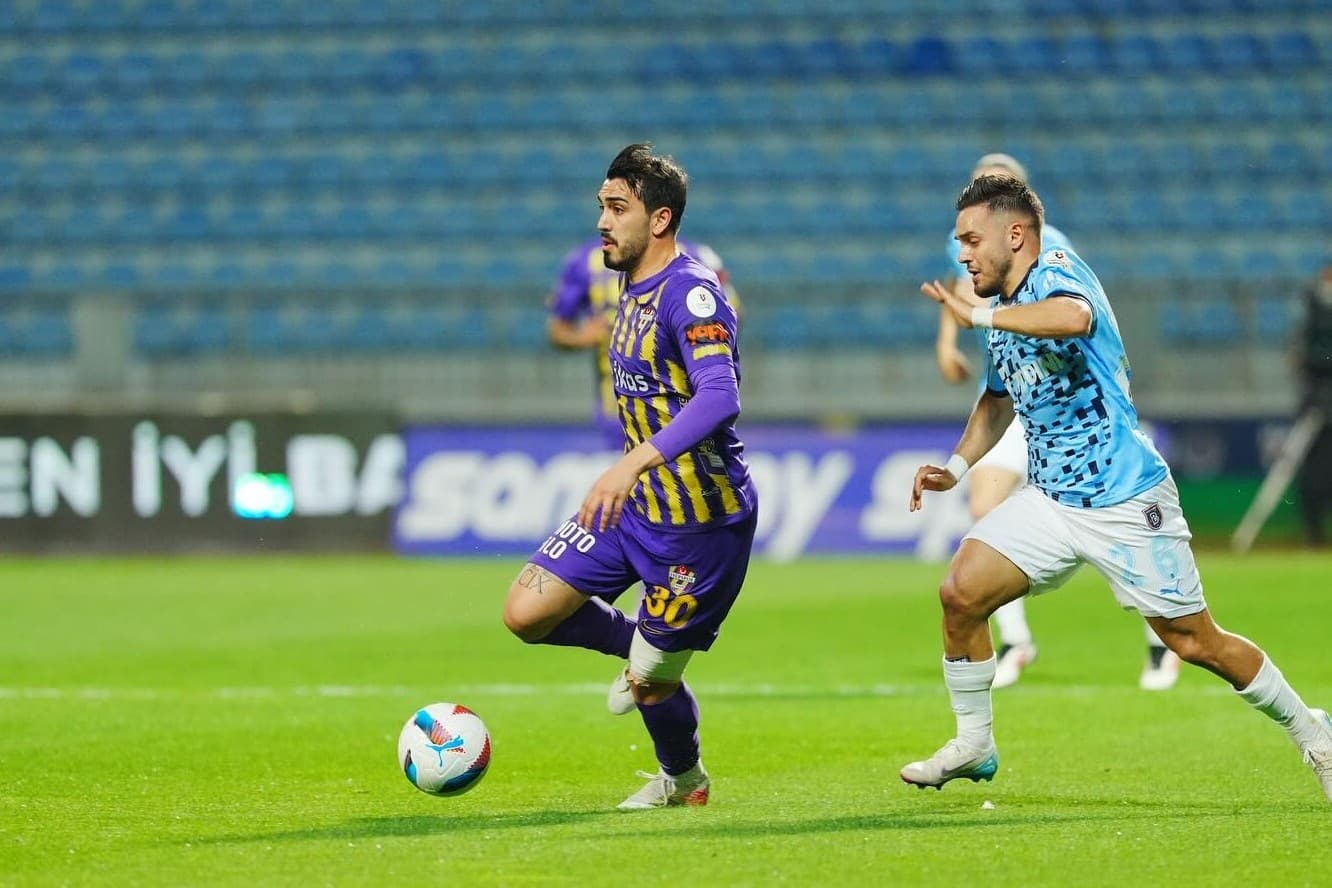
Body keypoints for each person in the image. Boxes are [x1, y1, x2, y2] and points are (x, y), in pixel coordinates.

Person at [900, 174, 1332, 800]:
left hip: (1125, 498)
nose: (961, 253)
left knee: (1192, 640)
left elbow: (1074, 319)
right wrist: (957, 467)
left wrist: (981, 311)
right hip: (1050, 499)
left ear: (1014, 233)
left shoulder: (1055, 273)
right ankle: (975, 743)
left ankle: (1314, 732)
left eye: (971, 239)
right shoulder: (1000, 305)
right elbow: (996, 398)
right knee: (960, 594)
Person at [503, 143, 757, 810]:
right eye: (601, 207)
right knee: (524, 612)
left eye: (618, 208)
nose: (602, 222)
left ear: (661, 219)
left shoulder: (692, 294)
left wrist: (633, 461)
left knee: (649, 687)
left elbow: (719, 396)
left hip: (701, 525)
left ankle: (683, 778)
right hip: (637, 508)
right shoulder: (628, 281)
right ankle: (640, 644)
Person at [934, 153, 1180, 691]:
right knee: (983, 510)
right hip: (1010, 394)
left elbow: (1069, 312)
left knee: (1116, 532)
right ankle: (1017, 640)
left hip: (1067, 401)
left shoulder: (1055, 248)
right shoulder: (968, 245)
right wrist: (949, 342)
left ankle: (1163, 641)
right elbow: (961, 297)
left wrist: (977, 318)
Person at [548, 234, 741, 450]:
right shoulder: (587, 259)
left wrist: (692, 332)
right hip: (620, 415)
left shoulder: (697, 256)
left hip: (684, 413)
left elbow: (733, 313)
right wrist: (581, 337)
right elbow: (558, 330)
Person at [1294, 263, 1332, 547]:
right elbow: (1308, 357)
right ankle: (1313, 533)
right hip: (1317, 404)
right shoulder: (1313, 314)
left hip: (1316, 400)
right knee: (1313, 471)